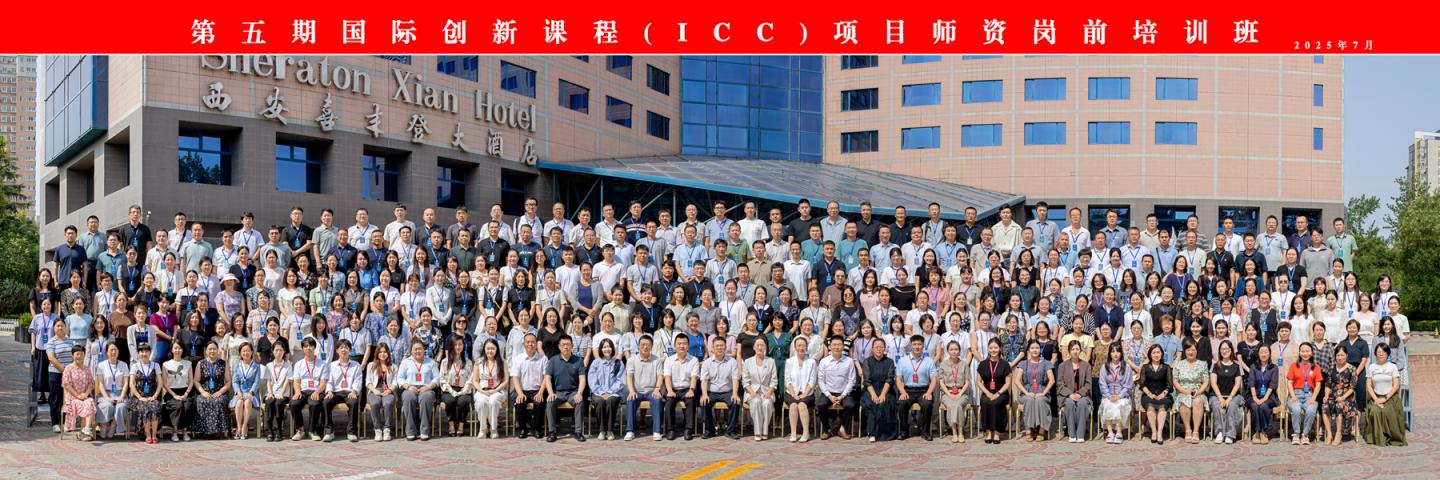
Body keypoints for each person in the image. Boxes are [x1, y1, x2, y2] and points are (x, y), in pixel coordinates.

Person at [543, 335, 587, 442]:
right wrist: (550, 393)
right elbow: (547, 378)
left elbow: (582, 379)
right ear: (559, 346)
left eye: (568, 344)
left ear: (572, 346)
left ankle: (578, 432)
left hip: (573, 392)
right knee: (550, 402)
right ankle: (552, 432)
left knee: (580, 401)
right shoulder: (553, 360)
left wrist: (579, 393)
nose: (566, 347)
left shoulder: (578, 360)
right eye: (563, 345)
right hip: (558, 392)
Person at [895, 335, 937, 441]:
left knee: (927, 404)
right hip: (907, 390)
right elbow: (898, 380)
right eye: (914, 344)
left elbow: (933, 380)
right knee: (902, 403)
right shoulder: (902, 361)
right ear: (910, 345)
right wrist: (902, 392)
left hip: (924, 390)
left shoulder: (929, 361)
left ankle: (925, 432)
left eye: (919, 344)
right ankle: (904, 431)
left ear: (923, 346)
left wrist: (929, 392)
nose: (917, 347)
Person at [625, 334, 666, 441]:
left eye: (648, 345)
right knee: (630, 399)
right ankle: (630, 431)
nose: (645, 347)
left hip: (651, 391)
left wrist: (657, 389)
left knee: (657, 399)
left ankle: (656, 431)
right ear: (638, 346)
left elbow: (660, 376)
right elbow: (629, 377)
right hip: (637, 391)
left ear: (651, 347)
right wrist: (631, 391)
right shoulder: (631, 360)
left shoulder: (657, 360)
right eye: (643, 344)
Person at [288, 337, 329, 441]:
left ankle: (312, 431)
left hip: (316, 390)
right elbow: (296, 381)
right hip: (303, 391)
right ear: (303, 349)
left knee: (315, 403)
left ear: (315, 347)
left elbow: (323, 382)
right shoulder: (298, 364)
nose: (308, 348)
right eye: (306, 346)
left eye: (311, 346)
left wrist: (317, 392)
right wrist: (297, 392)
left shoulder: (322, 364)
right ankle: (300, 430)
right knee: (294, 403)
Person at [815, 336, 856, 440]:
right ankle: (826, 430)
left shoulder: (849, 361)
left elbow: (851, 380)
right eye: (834, 345)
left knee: (850, 405)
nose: (837, 347)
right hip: (829, 392)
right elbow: (821, 380)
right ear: (830, 347)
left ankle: (843, 429)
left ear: (843, 346)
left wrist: (842, 396)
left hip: (844, 392)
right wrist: (829, 396)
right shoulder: (824, 361)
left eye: (839, 345)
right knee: (821, 405)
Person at [700, 336, 742, 439]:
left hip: (727, 391)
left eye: (722, 345)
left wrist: (735, 394)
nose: (719, 348)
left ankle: (730, 430)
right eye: (717, 346)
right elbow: (704, 380)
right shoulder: (707, 363)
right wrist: (704, 394)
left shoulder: (732, 361)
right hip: (712, 392)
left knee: (735, 402)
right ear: (713, 348)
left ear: (725, 347)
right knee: (704, 402)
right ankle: (710, 430)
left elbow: (735, 379)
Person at [398, 340, 440, 441]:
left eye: (420, 349)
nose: (418, 351)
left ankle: (424, 431)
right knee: (408, 398)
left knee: (426, 398)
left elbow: (437, 378)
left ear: (424, 350)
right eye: (415, 349)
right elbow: (400, 378)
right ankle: (410, 431)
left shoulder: (431, 362)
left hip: (426, 388)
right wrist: (408, 387)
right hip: (410, 388)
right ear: (411, 351)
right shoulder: (405, 362)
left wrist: (428, 387)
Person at [1365, 344, 1406, 446]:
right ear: (1375, 354)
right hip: (1376, 396)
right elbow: (1369, 386)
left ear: (1387, 354)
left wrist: (1385, 398)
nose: (1381, 354)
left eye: (1383, 352)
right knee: (1375, 411)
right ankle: (1378, 438)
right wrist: (1376, 399)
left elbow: (1396, 385)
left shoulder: (1393, 367)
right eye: (1379, 352)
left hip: (1390, 397)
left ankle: (1391, 436)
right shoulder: (1371, 367)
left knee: (1387, 411)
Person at [323, 339, 362, 442]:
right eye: (341, 348)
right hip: (336, 392)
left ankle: (351, 432)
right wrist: (329, 391)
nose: (344, 350)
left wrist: (354, 391)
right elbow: (329, 381)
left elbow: (358, 380)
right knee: (326, 402)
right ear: (337, 350)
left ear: (350, 350)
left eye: (346, 348)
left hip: (349, 392)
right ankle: (329, 432)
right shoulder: (331, 365)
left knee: (353, 402)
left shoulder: (356, 365)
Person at [860, 337, 897, 442]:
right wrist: (874, 395)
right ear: (872, 349)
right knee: (872, 404)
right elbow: (867, 381)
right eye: (876, 347)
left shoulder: (890, 362)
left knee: (885, 403)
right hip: (870, 390)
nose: (879, 349)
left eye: (881, 347)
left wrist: (882, 395)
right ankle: (872, 433)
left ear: (884, 348)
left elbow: (889, 379)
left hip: (886, 390)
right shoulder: (867, 361)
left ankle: (883, 433)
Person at [1015, 340, 1054, 442]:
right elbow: (1017, 381)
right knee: (1029, 400)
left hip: (1041, 391)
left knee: (1040, 400)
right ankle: (1028, 430)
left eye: (1037, 348)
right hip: (1027, 392)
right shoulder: (1023, 363)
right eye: (1032, 348)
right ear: (1028, 350)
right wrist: (1027, 393)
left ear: (1040, 350)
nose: (1035, 350)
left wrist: (1043, 393)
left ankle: (1042, 431)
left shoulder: (1046, 363)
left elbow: (1052, 380)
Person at [510, 333, 547, 439]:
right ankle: (523, 429)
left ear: (536, 344)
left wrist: (540, 393)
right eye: (528, 342)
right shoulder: (518, 359)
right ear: (524, 344)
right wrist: (520, 393)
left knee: (539, 402)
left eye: (532, 342)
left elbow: (546, 377)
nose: (530, 344)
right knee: (519, 402)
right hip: (522, 390)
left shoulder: (543, 359)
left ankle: (537, 428)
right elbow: (515, 378)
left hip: (537, 390)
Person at [1207, 340, 1244, 444]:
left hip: (1233, 395)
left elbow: (1237, 384)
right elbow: (1213, 383)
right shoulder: (1215, 365)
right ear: (1219, 351)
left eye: (1227, 349)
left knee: (1232, 406)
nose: (1224, 351)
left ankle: (1230, 434)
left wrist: (1230, 398)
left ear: (1231, 350)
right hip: (1217, 395)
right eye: (1222, 349)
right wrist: (1220, 398)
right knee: (1217, 405)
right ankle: (1219, 432)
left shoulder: (1237, 366)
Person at [976, 337, 1012, 444]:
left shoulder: (1005, 364)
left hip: (1002, 393)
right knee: (985, 402)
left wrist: (998, 394)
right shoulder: (983, 364)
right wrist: (987, 393)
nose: (993, 350)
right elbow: (978, 381)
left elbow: (1008, 383)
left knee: (995, 403)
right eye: (991, 348)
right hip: (987, 392)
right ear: (988, 349)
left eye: (996, 348)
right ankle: (988, 431)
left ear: (1000, 348)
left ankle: (997, 432)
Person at [589, 338, 626, 440]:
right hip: (598, 392)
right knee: (600, 401)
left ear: (612, 348)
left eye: (609, 347)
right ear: (601, 349)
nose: (607, 349)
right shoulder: (596, 363)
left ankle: (610, 431)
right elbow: (592, 381)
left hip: (614, 393)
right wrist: (602, 392)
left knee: (610, 401)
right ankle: (601, 431)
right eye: (604, 347)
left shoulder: (618, 363)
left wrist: (609, 392)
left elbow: (621, 381)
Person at [192, 341, 231, 438]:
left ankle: (217, 431)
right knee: (202, 401)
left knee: (219, 401)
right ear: (206, 351)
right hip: (204, 392)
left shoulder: (223, 363)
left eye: (214, 349)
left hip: (219, 392)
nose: (212, 351)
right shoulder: (200, 363)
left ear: (218, 350)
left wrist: (220, 392)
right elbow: (196, 381)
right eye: (210, 349)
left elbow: (228, 381)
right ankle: (204, 431)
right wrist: (202, 392)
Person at [1287, 342, 1323, 445]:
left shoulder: (1316, 367)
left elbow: (1318, 384)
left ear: (1311, 353)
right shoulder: (1294, 366)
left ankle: (1305, 434)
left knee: (1311, 410)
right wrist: (1293, 396)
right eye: (1303, 351)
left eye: (1307, 351)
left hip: (1309, 395)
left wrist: (1313, 398)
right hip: (1296, 394)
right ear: (1299, 352)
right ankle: (1296, 434)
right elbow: (1289, 383)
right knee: (1296, 409)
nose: (1305, 353)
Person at [1321, 347, 1359, 446]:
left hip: (1347, 398)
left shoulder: (1352, 369)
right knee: (1324, 406)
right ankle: (1329, 434)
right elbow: (1328, 385)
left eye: (1342, 355)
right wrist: (1326, 395)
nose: (1340, 357)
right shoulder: (1331, 369)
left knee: (1339, 405)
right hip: (1333, 397)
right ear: (1335, 356)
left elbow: (1352, 387)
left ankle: (1338, 434)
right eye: (1338, 355)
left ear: (1346, 355)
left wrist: (1343, 397)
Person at [783, 334, 817, 443]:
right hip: (791, 392)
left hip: (807, 393)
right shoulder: (789, 361)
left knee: (802, 404)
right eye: (799, 345)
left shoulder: (811, 362)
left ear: (806, 347)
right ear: (795, 347)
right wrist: (793, 394)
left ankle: (806, 433)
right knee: (793, 405)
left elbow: (812, 381)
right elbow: (787, 380)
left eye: (803, 345)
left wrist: (805, 394)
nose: (801, 348)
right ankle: (793, 433)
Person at [1097, 343, 1133, 444]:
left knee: (1118, 405)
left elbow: (1128, 385)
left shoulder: (1126, 367)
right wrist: (1109, 396)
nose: (1115, 354)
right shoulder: (1104, 367)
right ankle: (1110, 432)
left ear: (1121, 353)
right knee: (1107, 404)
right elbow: (1102, 384)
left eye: (1118, 351)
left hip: (1122, 396)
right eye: (1113, 351)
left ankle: (1119, 432)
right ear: (1109, 353)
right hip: (1108, 396)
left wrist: (1119, 396)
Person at [1057, 340, 1092, 443]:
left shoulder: (1086, 365)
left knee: (1082, 403)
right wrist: (1070, 394)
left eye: (1077, 349)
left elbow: (1088, 384)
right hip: (1067, 395)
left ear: (1080, 350)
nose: (1075, 351)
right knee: (1069, 404)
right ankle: (1071, 434)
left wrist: (1080, 394)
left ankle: (1080, 434)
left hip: (1083, 395)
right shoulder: (1062, 366)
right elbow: (1060, 384)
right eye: (1073, 349)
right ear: (1069, 351)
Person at [936, 340, 971, 443]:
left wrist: (959, 394)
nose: (954, 351)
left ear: (959, 350)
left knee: (958, 405)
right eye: (951, 349)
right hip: (947, 392)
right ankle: (954, 433)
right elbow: (941, 382)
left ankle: (960, 432)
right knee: (951, 405)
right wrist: (949, 394)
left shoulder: (964, 364)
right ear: (948, 351)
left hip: (962, 392)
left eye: (956, 349)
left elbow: (967, 382)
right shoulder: (943, 364)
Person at [160, 341, 195, 442]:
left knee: (187, 405)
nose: (177, 350)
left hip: (185, 391)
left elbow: (191, 381)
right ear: (171, 349)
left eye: (179, 348)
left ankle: (185, 432)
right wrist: (174, 395)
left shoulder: (188, 363)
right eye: (175, 348)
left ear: (182, 350)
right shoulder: (166, 364)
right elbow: (164, 384)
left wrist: (186, 394)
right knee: (178, 406)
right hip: (171, 393)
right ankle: (174, 432)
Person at [438, 337, 473, 437]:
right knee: (450, 401)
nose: (458, 347)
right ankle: (451, 425)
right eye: (455, 344)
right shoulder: (445, 362)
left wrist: (462, 391)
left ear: (463, 346)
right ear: (452, 346)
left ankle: (461, 425)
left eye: (460, 344)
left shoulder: (468, 362)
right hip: (449, 389)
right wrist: (452, 391)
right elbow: (442, 379)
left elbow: (470, 380)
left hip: (464, 389)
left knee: (463, 402)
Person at [61, 344, 97, 440]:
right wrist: (77, 395)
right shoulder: (68, 368)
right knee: (84, 404)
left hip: (84, 396)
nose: (79, 356)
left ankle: (86, 430)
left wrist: (86, 393)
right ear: (72, 356)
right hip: (72, 397)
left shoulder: (87, 369)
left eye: (82, 354)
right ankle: (84, 431)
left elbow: (91, 383)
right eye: (77, 354)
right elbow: (66, 385)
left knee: (90, 402)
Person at [130, 343, 164, 444]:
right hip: (138, 398)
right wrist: (140, 397)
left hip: (153, 396)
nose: (144, 354)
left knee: (155, 406)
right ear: (138, 353)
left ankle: (154, 435)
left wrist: (155, 396)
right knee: (146, 408)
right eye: (141, 351)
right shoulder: (135, 366)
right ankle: (148, 435)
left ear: (150, 353)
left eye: (146, 351)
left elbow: (160, 382)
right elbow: (131, 384)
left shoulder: (156, 365)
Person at [94, 342, 129, 439]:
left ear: (118, 351)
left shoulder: (124, 365)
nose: (113, 352)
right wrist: (106, 397)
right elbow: (100, 384)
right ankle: (104, 425)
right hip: (106, 393)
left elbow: (126, 383)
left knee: (121, 407)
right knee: (107, 405)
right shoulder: (101, 365)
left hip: (120, 393)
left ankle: (114, 424)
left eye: (115, 350)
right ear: (107, 352)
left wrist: (122, 396)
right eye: (111, 350)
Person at [1139, 344, 1173, 444]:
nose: (1156, 355)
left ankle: (1160, 433)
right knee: (1150, 407)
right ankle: (1154, 432)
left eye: (1158, 352)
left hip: (1164, 396)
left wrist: (1163, 394)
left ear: (1162, 354)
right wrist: (1150, 394)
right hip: (1148, 395)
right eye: (1153, 353)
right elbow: (1142, 384)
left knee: (1162, 408)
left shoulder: (1167, 367)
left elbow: (1170, 384)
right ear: (1150, 354)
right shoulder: (1145, 367)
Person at [1247, 344, 1280, 444]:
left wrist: (1264, 398)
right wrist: (1255, 397)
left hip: (1269, 396)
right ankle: (1256, 432)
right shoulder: (1253, 367)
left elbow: (1273, 385)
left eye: (1266, 352)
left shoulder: (1274, 368)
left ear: (1269, 354)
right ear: (1258, 354)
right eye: (1261, 352)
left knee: (1263, 406)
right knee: (1254, 406)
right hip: (1254, 395)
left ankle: (1263, 432)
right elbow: (1251, 383)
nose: (1263, 354)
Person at [365, 342, 397, 441]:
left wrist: (389, 390)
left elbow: (395, 382)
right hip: (375, 391)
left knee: (388, 403)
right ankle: (377, 429)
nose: (383, 354)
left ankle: (387, 429)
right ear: (377, 353)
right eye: (380, 352)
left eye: (385, 352)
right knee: (375, 403)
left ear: (388, 353)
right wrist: (374, 390)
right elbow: (368, 381)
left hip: (388, 391)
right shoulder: (371, 365)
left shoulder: (393, 366)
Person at [228, 342, 260, 440]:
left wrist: (251, 392)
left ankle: (244, 427)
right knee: (239, 403)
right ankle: (238, 427)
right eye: (243, 351)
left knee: (248, 402)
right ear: (240, 353)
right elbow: (235, 381)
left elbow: (256, 382)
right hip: (240, 393)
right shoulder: (237, 366)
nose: (246, 353)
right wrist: (238, 392)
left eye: (248, 351)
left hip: (251, 393)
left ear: (252, 352)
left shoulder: (256, 366)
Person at [261, 342, 292, 442]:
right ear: (273, 352)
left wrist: (281, 393)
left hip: (283, 394)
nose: (278, 352)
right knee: (269, 402)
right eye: (276, 350)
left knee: (278, 403)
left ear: (284, 352)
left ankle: (279, 430)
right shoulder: (269, 365)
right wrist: (270, 393)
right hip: (271, 392)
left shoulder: (288, 365)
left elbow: (287, 381)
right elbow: (268, 381)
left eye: (281, 350)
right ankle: (270, 431)